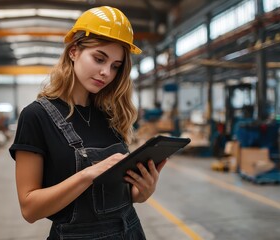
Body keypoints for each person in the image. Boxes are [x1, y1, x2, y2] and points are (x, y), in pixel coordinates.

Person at [9, 6, 167, 239]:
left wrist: (141, 191)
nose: (106, 72)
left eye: (115, 66)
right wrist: (87, 175)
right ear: (73, 51)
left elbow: (122, 194)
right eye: (99, 58)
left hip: (131, 231)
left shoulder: (111, 114)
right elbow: (30, 209)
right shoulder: (36, 116)